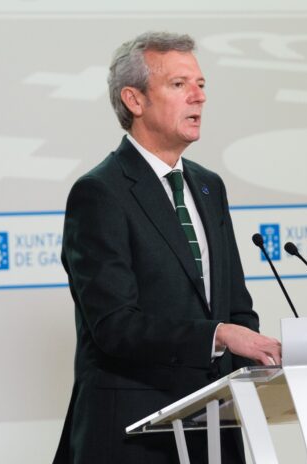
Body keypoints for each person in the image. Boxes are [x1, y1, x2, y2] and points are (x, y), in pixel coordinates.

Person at [53, 31, 281, 464]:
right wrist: (217, 335)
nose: (199, 96)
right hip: (135, 435)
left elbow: (234, 306)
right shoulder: (100, 193)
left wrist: (255, 358)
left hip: (214, 430)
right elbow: (114, 326)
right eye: (179, 84)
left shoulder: (209, 186)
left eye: (201, 84)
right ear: (134, 100)